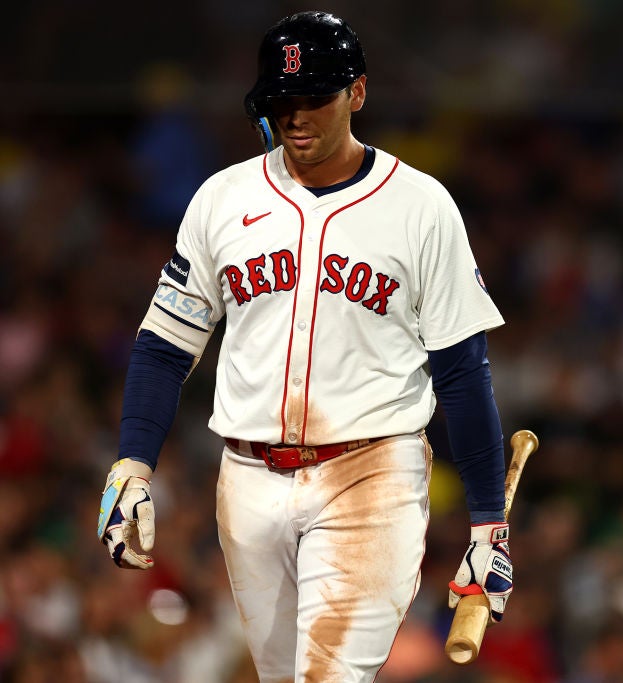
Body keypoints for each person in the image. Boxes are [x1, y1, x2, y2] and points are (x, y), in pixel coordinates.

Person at [96, 11, 513, 681]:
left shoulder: (420, 206)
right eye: (280, 101)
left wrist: (487, 523)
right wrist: (132, 465)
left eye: (314, 96)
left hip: (370, 473)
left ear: (359, 92)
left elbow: (462, 373)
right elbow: (165, 344)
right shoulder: (222, 199)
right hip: (248, 478)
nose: (295, 116)